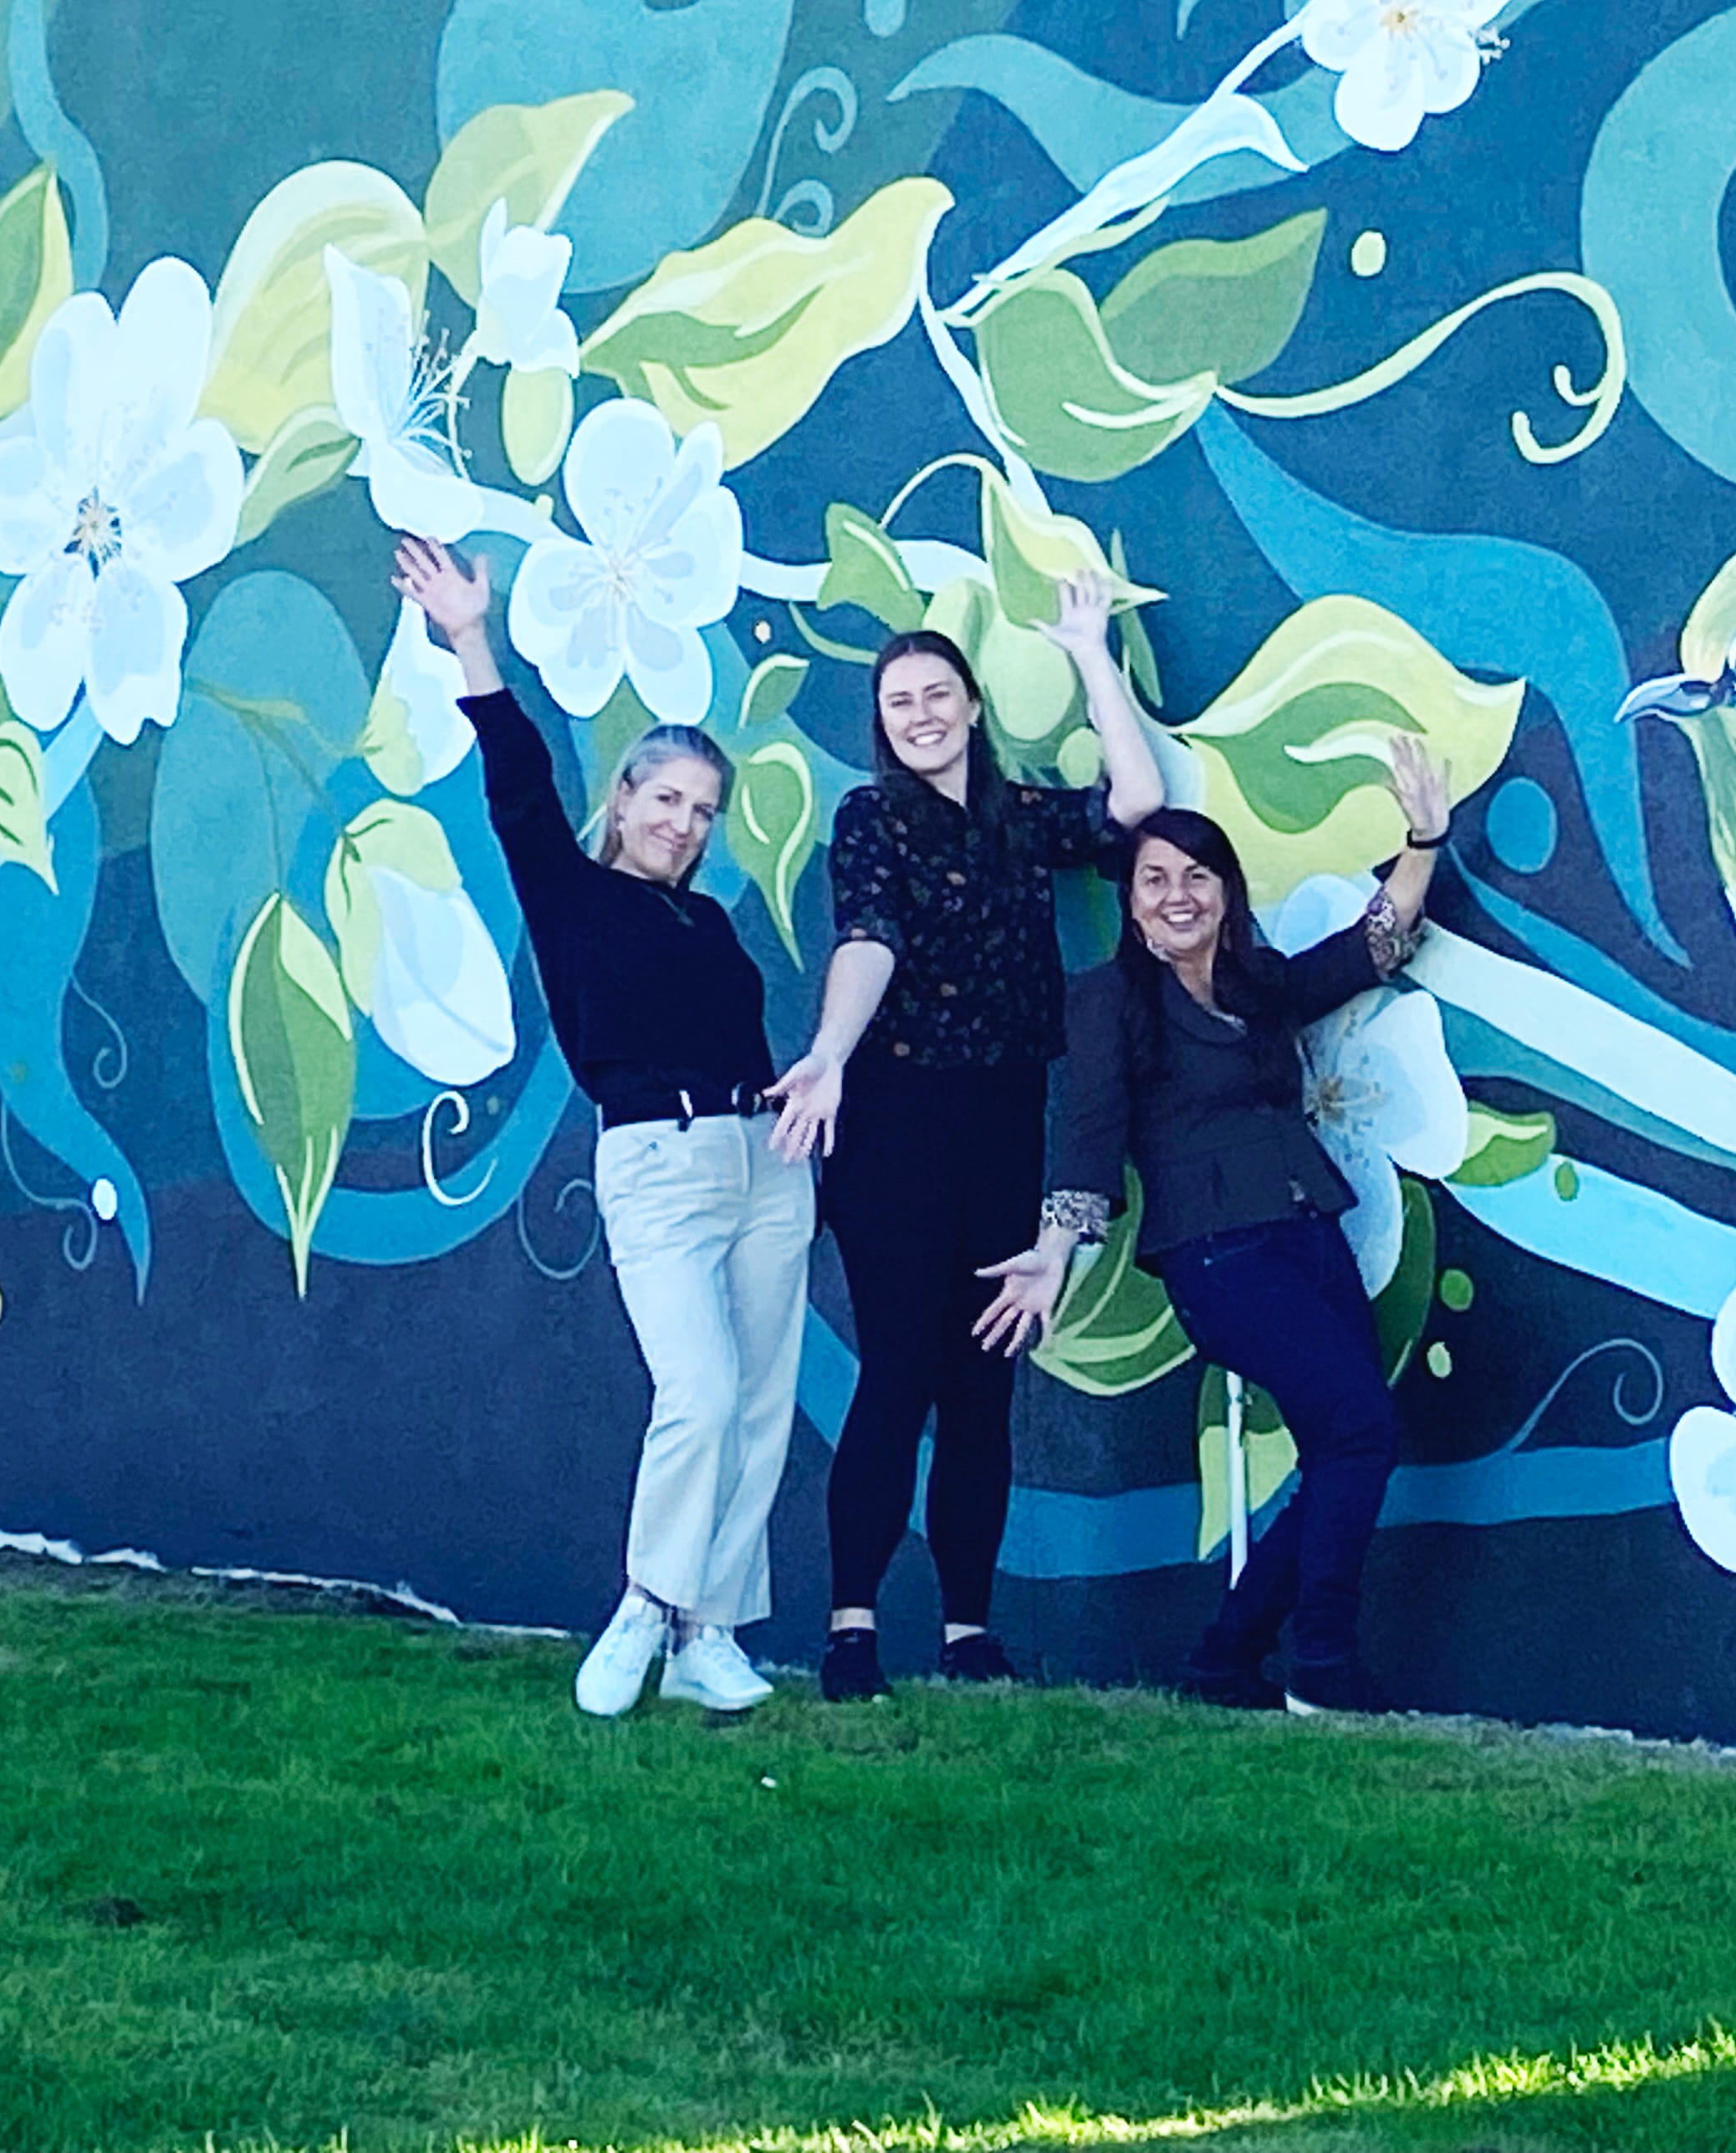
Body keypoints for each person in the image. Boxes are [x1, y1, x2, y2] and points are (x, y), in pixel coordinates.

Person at [391, 533, 809, 1720]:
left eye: (704, 811)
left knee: (761, 1403)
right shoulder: (571, 893)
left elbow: (744, 1049)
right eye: (667, 799)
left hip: (762, 1166)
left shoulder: (712, 928)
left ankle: (707, 1634)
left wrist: (786, 1097)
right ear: (623, 799)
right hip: (656, 1164)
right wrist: (471, 635)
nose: (685, 824)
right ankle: (645, 1605)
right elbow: (515, 776)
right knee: (702, 1392)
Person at [977, 738, 1452, 1717]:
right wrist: (1055, 1249)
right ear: (1132, 900)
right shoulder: (1109, 1000)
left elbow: (1370, 946)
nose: (1176, 895)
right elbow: (1092, 1132)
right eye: (1154, 880)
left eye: (1197, 876)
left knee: (1343, 1446)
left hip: (1311, 1237)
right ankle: (1320, 1663)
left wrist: (1424, 835)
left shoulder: (1255, 984)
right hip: (1219, 1258)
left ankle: (1224, 1658)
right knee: (1361, 1427)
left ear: (1227, 893)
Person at [765, 584, 1163, 1699]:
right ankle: (852, 1631)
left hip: (1000, 1119)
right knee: (898, 1373)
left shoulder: (1020, 818)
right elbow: (870, 942)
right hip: (893, 1123)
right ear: (881, 724)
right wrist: (833, 1052)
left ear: (975, 707)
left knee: (984, 1378)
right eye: (899, 702)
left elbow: (1136, 801)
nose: (921, 715)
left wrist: (1090, 651)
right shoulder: (871, 821)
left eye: (939, 694)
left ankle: (967, 1633)